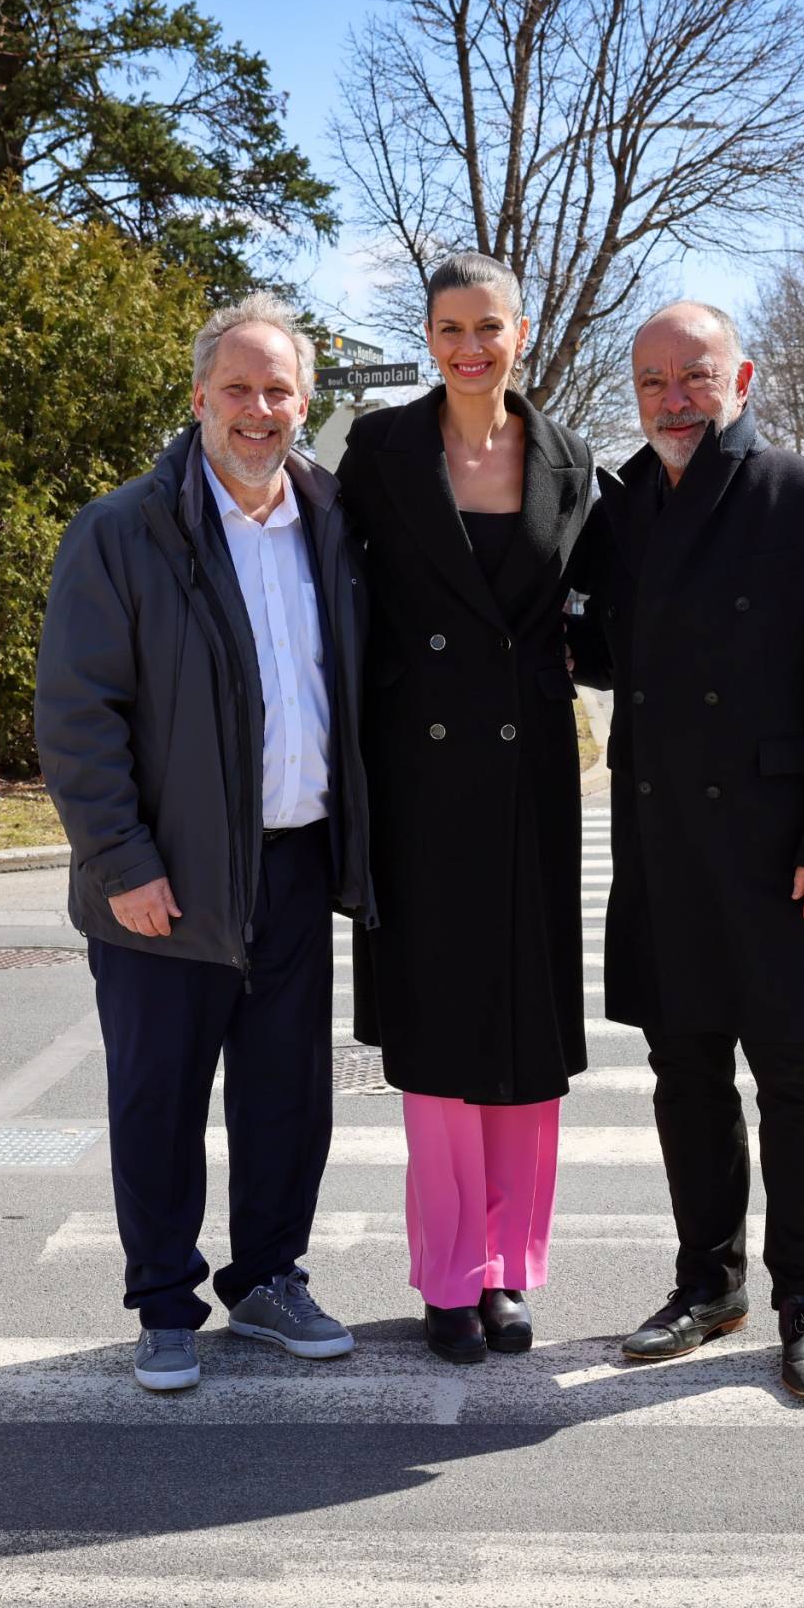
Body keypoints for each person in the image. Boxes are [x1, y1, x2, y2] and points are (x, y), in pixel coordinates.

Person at [33, 293, 375, 1394]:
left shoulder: (329, 522)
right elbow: (76, 716)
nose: (258, 409)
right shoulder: (124, 531)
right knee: (158, 1098)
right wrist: (121, 861)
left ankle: (269, 1278)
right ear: (197, 400)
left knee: (286, 1094)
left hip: (290, 862)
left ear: (305, 403)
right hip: (164, 878)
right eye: (237, 388)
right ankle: (164, 1303)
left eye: (279, 390)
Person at [569, 300, 804, 1400]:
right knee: (684, 1075)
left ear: (741, 377)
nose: (672, 400)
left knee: (797, 1080)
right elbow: (592, 647)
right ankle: (705, 1282)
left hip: (784, 849)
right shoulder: (617, 511)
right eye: (653, 381)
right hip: (664, 838)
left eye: (694, 377)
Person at [335, 253, 596, 1363]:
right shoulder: (381, 450)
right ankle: (448, 1277)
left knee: (524, 1035)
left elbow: (610, 605)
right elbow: (332, 595)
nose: (468, 347)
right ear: (428, 334)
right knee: (440, 1038)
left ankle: (508, 1272)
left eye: (487, 326)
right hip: (418, 778)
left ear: (520, 331)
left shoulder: (571, 458)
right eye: (448, 327)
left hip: (530, 773)